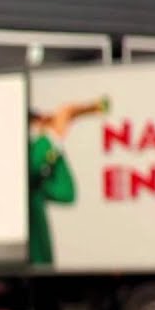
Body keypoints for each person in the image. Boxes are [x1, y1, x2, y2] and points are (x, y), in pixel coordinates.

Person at [27, 98, 107, 265]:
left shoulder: (37, 181)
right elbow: (34, 168)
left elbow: (67, 193)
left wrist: (55, 143)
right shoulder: (30, 164)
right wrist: (52, 138)